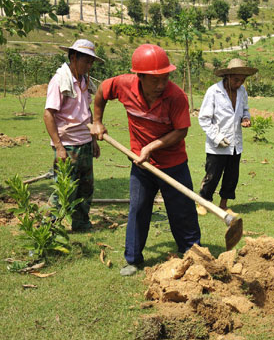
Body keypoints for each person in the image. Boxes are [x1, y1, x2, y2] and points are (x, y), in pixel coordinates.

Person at [90, 44, 201, 276]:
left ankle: (193, 255)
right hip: (140, 163)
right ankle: (133, 259)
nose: (161, 84)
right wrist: (97, 121)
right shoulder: (123, 85)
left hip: (173, 164)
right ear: (139, 76)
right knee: (138, 208)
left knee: (182, 210)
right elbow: (101, 92)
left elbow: (181, 131)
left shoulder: (176, 96)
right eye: (155, 79)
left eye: (165, 77)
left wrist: (151, 146)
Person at [43, 39, 103, 232]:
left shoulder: (84, 81)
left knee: (86, 188)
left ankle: (81, 224)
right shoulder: (60, 80)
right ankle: (49, 228)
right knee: (65, 190)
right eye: (86, 61)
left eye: (91, 62)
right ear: (73, 57)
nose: (89, 65)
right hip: (68, 145)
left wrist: (93, 140)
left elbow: (87, 111)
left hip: (84, 142)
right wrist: (59, 147)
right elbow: (48, 114)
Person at [198, 58, 255, 212]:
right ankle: (203, 202)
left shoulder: (242, 91)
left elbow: (245, 109)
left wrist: (246, 118)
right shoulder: (213, 92)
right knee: (212, 175)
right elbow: (203, 118)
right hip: (217, 144)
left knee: (231, 177)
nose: (239, 83)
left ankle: (223, 205)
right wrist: (217, 137)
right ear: (228, 77)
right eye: (236, 80)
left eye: (242, 80)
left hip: (235, 143)